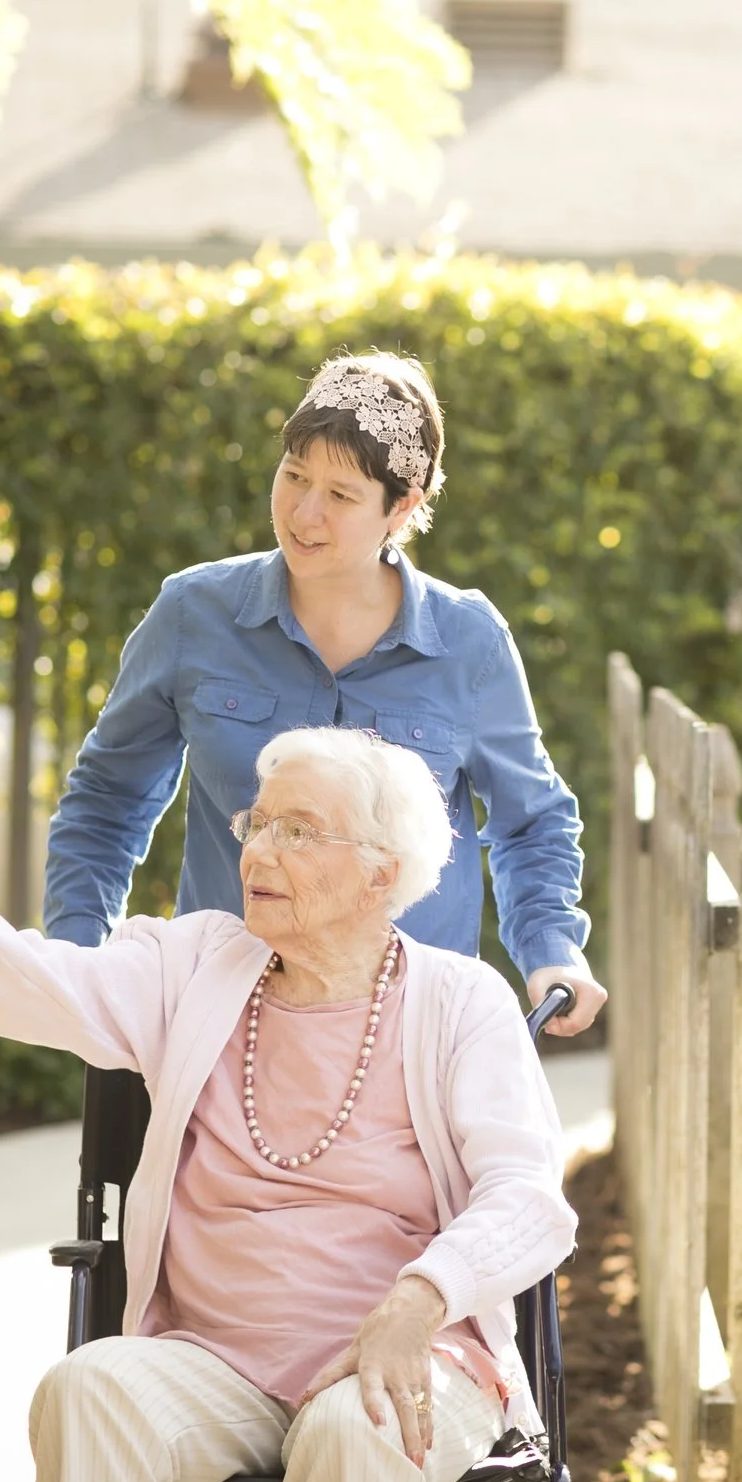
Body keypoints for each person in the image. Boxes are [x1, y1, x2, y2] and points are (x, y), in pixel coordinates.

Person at [0, 727, 575, 1482]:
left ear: (382, 873)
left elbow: (527, 1197)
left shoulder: (460, 1002)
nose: (259, 852)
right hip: (215, 1363)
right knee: (87, 1391)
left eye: (297, 831)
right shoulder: (195, 965)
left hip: (407, 1356)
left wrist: (419, 1300)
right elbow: (26, 983)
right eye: (256, 823)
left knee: (354, 1431)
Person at [42, 352, 605, 1034]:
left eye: (341, 495)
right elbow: (108, 799)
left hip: (410, 1035)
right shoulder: (193, 614)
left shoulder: (470, 643)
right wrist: (78, 954)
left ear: (402, 506)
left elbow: (531, 821)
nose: (305, 513)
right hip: (221, 1023)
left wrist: (552, 950)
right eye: (294, 475)